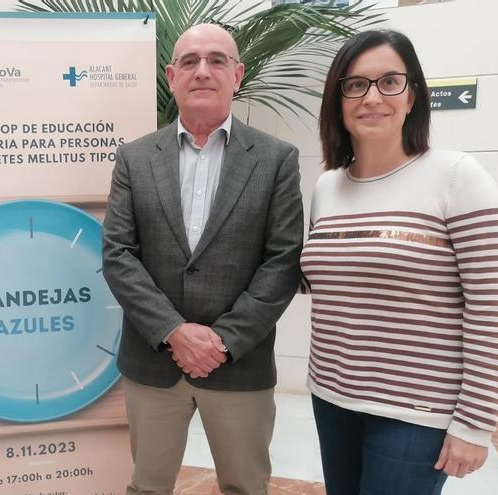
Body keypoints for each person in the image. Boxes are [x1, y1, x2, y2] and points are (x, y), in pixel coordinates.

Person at [304, 29, 498, 495]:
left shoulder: (457, 177)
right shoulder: (328, 188)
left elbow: (494, 312)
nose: (372, 97)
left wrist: (475, 424)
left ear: (413, 94)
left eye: (389, 82)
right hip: (331, 397)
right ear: (338, 100)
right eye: (355, 84)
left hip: (416, 413)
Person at [102, 23, 304, 495]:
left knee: (245, 487)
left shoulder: (276, 159)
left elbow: (283, 260)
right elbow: (118, 254)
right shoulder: (134, 158)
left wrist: (222, 341)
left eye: (216, 60)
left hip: (239, 362)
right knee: (147, 487)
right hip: (153, 362)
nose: (202, 71)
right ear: (172, 76)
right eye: (190, 62)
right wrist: (174, 332)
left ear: (237, 74)